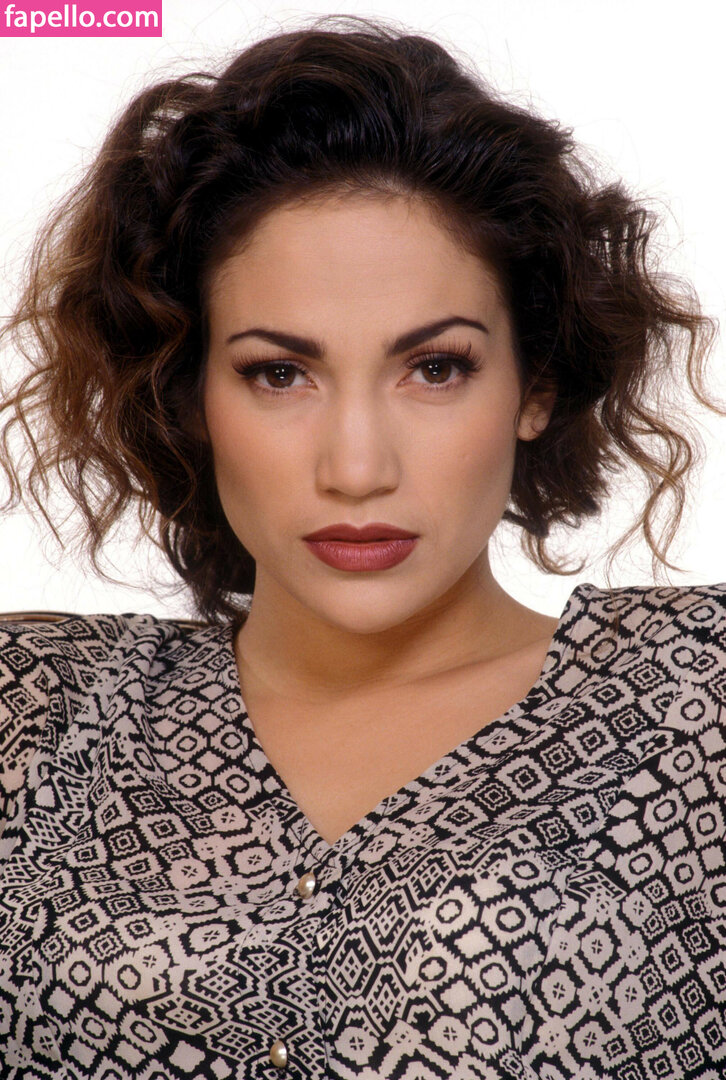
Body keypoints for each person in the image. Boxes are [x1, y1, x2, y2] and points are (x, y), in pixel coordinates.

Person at [0, 13, 724, 1080]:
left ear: (536, 386)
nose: (355, 467)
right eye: (278, 373)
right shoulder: (38, 714)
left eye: (435, 368)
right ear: (189, 395)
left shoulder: (691, 702)